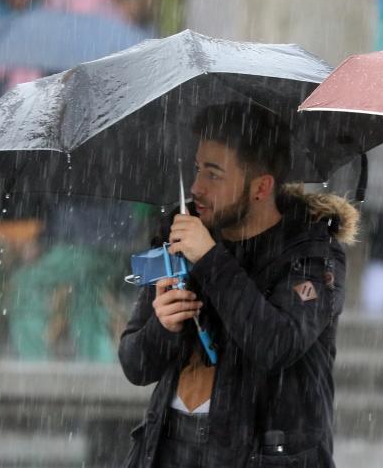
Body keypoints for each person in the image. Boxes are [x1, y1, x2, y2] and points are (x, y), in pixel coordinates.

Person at [118, 102, 356, 468]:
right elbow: (135, 365)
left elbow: (276, 344)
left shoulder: (312, 255)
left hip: (261, 453)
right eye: (197, 169)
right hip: (168, 445)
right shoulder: (179, 232)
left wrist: (211, 259)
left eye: (214, 175)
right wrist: (162, 326)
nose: (197, 187)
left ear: (261, 187)